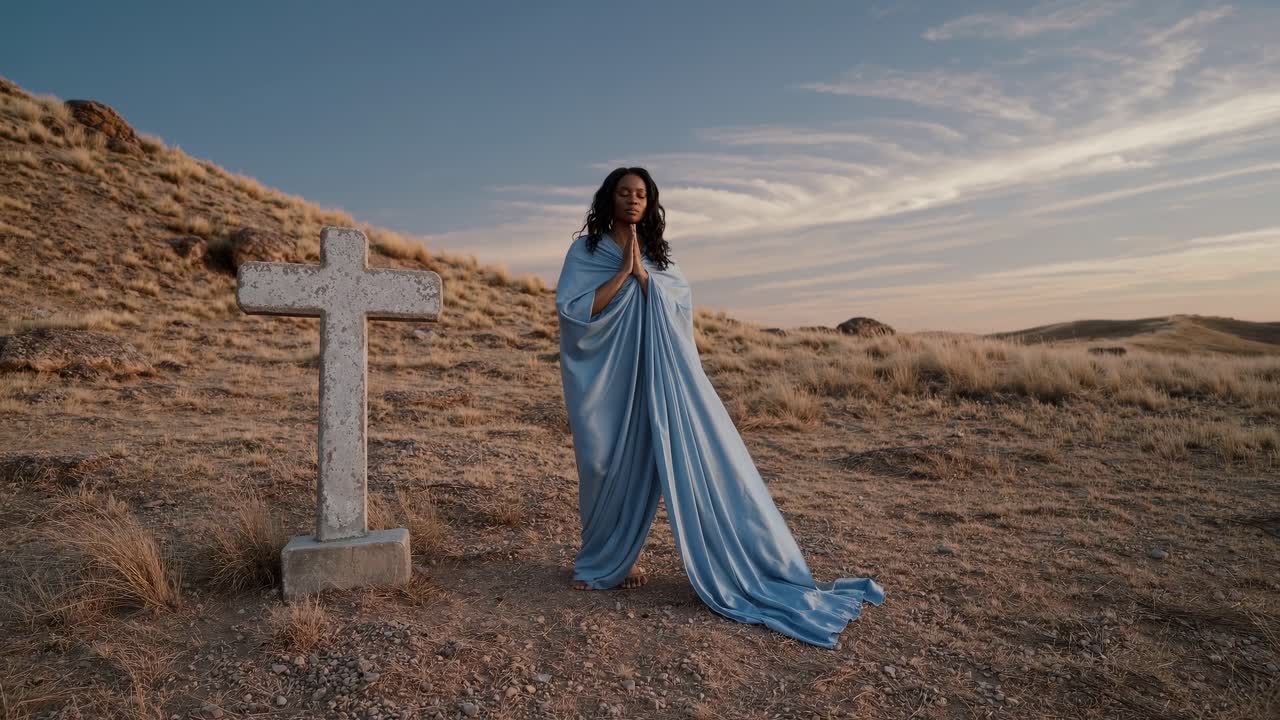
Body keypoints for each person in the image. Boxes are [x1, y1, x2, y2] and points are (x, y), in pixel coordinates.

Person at [554, 167, 885, 649]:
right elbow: (575, 313)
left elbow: (679, 311)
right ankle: (608, 560)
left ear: (650, 203)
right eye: (624, 193)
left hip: (661, 375)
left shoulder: (660, 256)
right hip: (608, 379)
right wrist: (623, 274)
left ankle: (713, 562)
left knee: (675, 457)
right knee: (604, 463)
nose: (632, 200)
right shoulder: (586, 252)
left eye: (641, 194)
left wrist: (645, 276)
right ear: (609, 198)